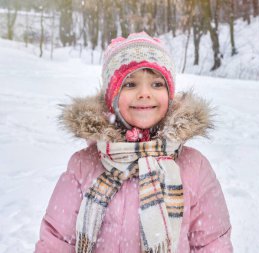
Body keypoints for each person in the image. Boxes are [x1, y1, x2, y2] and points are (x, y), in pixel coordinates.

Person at [35, 31, 233, 253]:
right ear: (112, 98)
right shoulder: (85, 165)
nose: (144, 93)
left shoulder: (194, 167)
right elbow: (56, 241)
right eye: (130, 84)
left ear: (169, 94)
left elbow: (212, 242)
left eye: (157, 84)